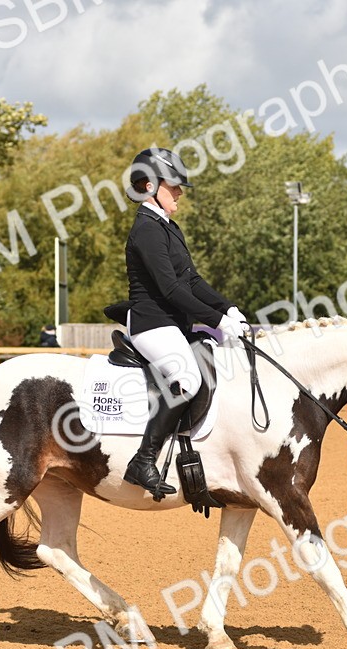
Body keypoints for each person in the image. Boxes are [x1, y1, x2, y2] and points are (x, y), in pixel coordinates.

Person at [119, 147, 248, 499]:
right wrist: (216, 320)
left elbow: (191, 280)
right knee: (188, 378)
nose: (179, 191)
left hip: (173, 324)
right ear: (148, 186)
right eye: (173, 185)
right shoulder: (146, 229)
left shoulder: (168, 227)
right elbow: (170, 288)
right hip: (151, 324)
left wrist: (228, 308)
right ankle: (142, 461)